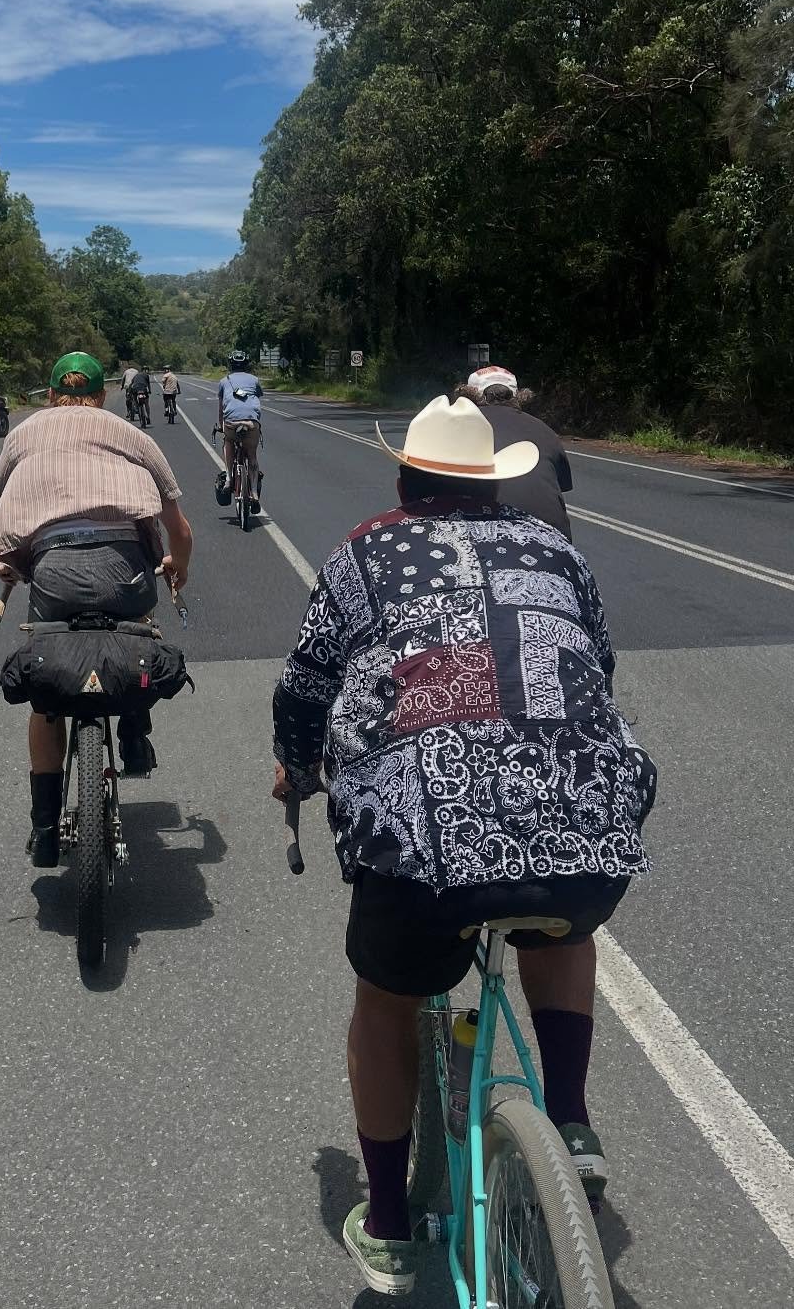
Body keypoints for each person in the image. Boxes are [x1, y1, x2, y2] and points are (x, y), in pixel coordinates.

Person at [271, 395, 655, 1296]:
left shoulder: (365, 551)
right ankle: (570, 1119)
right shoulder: (557, 549)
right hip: (587, 817)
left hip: (423, 840)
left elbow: (304, 688)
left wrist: (296, 767)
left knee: (385, 1003)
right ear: (494, 487)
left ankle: (392, 1226)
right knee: (563, 923)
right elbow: (596, 669)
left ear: (404, 480)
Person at [0, 352, 193, 865]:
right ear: (103, 396)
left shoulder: (22, 435)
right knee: (139, 629)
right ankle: (134, 731)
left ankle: (44, 828)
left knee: (46, 701)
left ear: (51, 395)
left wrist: (9, 565)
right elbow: (179, 529)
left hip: (53, 570)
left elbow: (8, 504)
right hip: (125, 567)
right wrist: (178, 567)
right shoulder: (131, 435)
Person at [453, 365, 575, 540]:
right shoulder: (544, 430)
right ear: (518, 396)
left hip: (477, 536)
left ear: (468, 395)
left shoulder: (455, 426)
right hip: (554, 541)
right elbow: (561, 486)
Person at [217, 350, 264, 511]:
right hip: (251, 423)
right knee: (252, 456)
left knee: (228, 442)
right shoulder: (254, 380)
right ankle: (254, 493)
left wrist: (221, 426)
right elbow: (256, 399)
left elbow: (221, 409)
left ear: (231, 365)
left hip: (231, 423)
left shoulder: (224, 381)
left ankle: (229, 479)